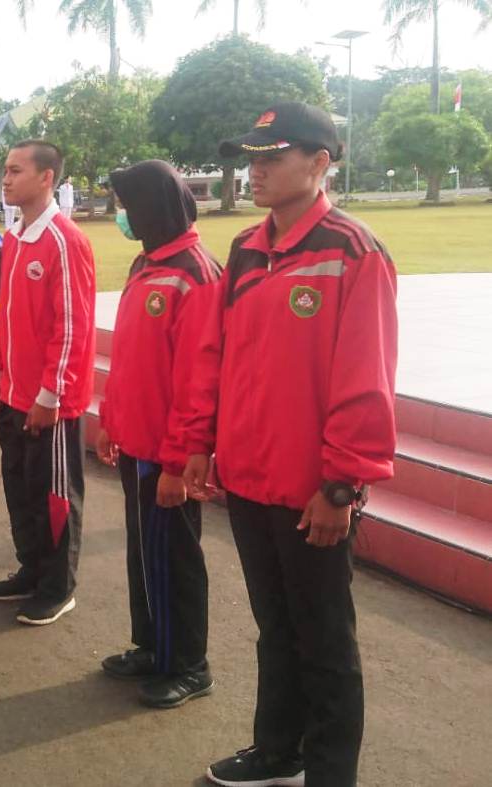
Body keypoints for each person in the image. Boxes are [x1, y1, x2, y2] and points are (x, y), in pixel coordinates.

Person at [184, 103, 398, 787]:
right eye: (251, 157)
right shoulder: (246, 247)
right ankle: (278, 749)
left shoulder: (352, 251)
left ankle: (330, 771)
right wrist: (199, 442)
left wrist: (341, 484)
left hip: (313, 490)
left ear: (318, 163)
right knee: (273, 626)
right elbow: (216, 355)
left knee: (325, 640)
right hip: (246, 477)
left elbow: (364, 379)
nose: (256, 169)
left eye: (272, 156)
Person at [95, 160, 222, 709]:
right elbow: (134, 360)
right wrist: (113, 424)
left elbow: (199, 381)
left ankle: (189, 664)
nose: (123, 216)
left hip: (166, 453)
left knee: (175, 558)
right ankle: (152, 645)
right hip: (137, 441)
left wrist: (178, 461)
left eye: (127, 204)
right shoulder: (148, 261)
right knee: (144, 555)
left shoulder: (195, 272)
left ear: (153, 205)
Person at [0, 140, 96, 626]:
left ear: (46, 177)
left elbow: (71, 326)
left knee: (54, 497)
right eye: (4, 171)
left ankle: (58, 585)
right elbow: (7, 317)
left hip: (49, 403)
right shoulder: (17, 237)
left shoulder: (64, 241)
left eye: (15, 170)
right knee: (21, 489)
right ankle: (31, 570)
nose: (5, 179)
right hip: (13, 394)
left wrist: (52, 394)